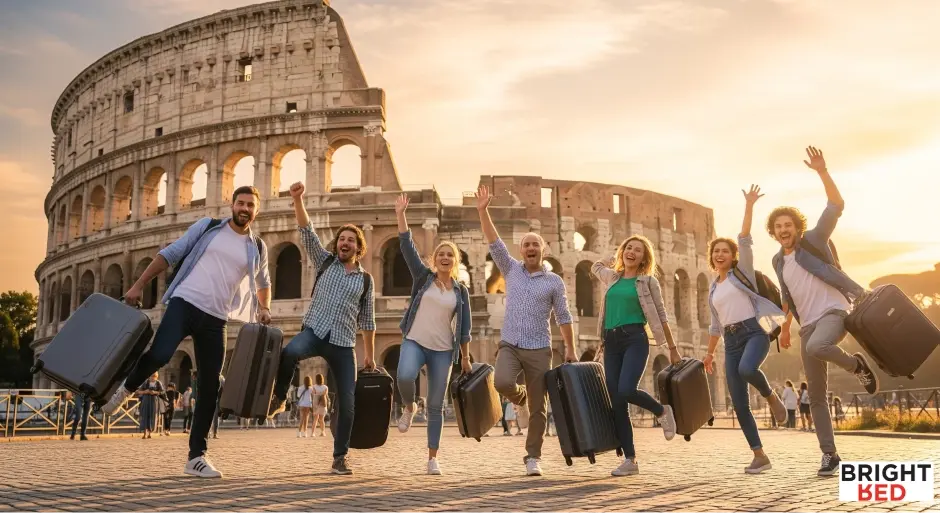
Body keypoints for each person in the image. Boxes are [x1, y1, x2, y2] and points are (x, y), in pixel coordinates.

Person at [101, 185, 273, 478]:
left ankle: (196, 457)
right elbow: (170, 254)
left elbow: (263, 282)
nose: (245, 209)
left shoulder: (256, 247)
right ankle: (125, 390)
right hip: (185, 302)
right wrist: (138, 285)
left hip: (217, 318)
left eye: (250, 206)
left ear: (257, 210)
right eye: (240, 203)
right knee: (161, 353)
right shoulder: (207, 227)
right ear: (232, 204)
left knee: (209, 387)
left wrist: (265, 307)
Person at [768, 146, 878, 477]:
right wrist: (786, 327)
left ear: (797, 227)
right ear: (773, 232)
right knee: (816, 394)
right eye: (778, 226)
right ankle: (829, 454)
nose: (784, 230)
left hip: (835, 311)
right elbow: (788, 295)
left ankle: (857, 364)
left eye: (788, 224)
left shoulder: (814, 240)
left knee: (819, 348)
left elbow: (835, 206)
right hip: (808, 325)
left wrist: (822, 172)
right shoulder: (777, 261)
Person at [266, 181, 376, 476]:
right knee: (289, 353)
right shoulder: (325, 262)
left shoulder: (365, 281)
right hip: (315, 332)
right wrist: (297, 199)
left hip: (342, 344)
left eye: (351, 239)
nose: (345, 242)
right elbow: (306, 231)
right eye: (342, 238)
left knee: (348, 403)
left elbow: (368, 320)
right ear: (336, 244)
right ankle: (278, 398)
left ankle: (340, 457)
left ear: (359, 247)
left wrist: (370, 355)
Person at [475, 185, 576, 476]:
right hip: (510, 344)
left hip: (539, 348)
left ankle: (533, 456)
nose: (531, 248)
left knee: (540, 409)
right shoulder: (511, 269)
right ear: (521, 251)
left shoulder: (554, 281)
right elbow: (494, 242)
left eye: (536, 244)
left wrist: (569, 348)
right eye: (526, 245)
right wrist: (483, 211)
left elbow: (564, 315)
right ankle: (520, 399)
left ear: (543, 250)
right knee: (501, 382)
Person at [702, 184, 789, 474]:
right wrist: (710, 354)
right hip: (730, 340)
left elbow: (745, 238)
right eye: (716, 251)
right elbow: (715, 324)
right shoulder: (714, 287)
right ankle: (759, 455)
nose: (720, 255)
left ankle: (770, 396)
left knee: (747, 370)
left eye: (725, 251)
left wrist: (749, 205)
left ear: (733, 255)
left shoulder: (744, 273)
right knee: (739, 403)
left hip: (755, 332)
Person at [393, 193, 473, 475]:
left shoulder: (461, 292)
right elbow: (406, 246)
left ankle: (432, 458)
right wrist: (401, 213)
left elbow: (464, 329)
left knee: (437, 405)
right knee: (404, 376)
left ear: (456, 261)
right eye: (441, 254)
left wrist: (464, 357)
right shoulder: (423, 278)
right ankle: (409, 405)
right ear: (435, 259)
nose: (445, 257)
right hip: (414, 339)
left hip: (442, 351)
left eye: (450, 254)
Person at [591, 235, 679, 477]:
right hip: (611, 341)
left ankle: (662, 411)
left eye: (637, 250)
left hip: (635, 338)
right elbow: (595, 267)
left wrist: (672, 348)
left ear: (644, 258)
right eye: (628, 247)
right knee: (617, 403)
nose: (631, 252)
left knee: (627, 390)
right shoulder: (612, 277)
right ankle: (630, 460)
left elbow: (661, 315)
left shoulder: (647, 282)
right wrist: (611, 257)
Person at [138, 372, 164, 439]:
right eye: (151, 376)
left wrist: (155, 392)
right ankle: (144, 433)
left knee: (152, 415)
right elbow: (138, 391)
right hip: (145, 401)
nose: (152, 378)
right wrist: (145, 392)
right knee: (145, 415)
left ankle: (150, 432)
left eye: (154, 376)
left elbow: (162, 392)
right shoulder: (146, 382)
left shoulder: (158, 383)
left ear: (156, 377)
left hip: (154, 401)